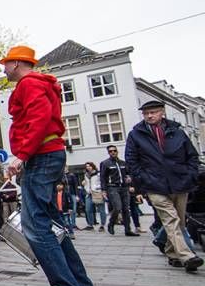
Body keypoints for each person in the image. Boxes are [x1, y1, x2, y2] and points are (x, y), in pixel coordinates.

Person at [1, 45, 94, 286]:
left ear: (18, 63)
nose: (4, 68)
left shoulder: (29, 83)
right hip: (48, 154)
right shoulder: (39, 83)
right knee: (52, 223)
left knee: (35, 225)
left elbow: (39, 118)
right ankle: (80, 283)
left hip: (40, 156)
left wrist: (23, 155)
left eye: (6, 64)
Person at [125, 100, 203, 272]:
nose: (149, 116)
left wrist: (190, 174)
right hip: (154, 185)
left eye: (153, 112)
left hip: (180, 182)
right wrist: (143, 179)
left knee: (179, 221)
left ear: (162, 113)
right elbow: (131, 161)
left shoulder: (177, 132)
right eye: (146, 113)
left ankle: (172, 253)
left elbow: (192, 156)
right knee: (171, 219)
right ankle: (187, 255)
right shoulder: (136, 135)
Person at [100, 146, 140, 237]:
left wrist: (130, 181)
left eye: (114, 151)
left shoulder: (123, 163)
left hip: (124, 187)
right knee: (118, 207)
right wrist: (104, 190)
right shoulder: (105, 163)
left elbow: (129, 174)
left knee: (126, 209)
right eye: (110, 151)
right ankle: (111, 223)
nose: (113, 152)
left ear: (117, 151)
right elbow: (103, 178)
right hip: (112, 187)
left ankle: (127, 229)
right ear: (108, 153)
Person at [82, 162, 107, 231]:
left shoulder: (98, 174)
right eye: (87, 166)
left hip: (97, 192)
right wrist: (86, 188)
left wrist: (98, 188)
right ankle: (90, 225)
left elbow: (102, 182)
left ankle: (102, 225)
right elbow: (86, 183)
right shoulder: (86, 175)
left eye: (89, 166)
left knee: (101, 209)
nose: (88, 167)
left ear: (93, 166)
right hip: (89, 193)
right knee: (88, 209)